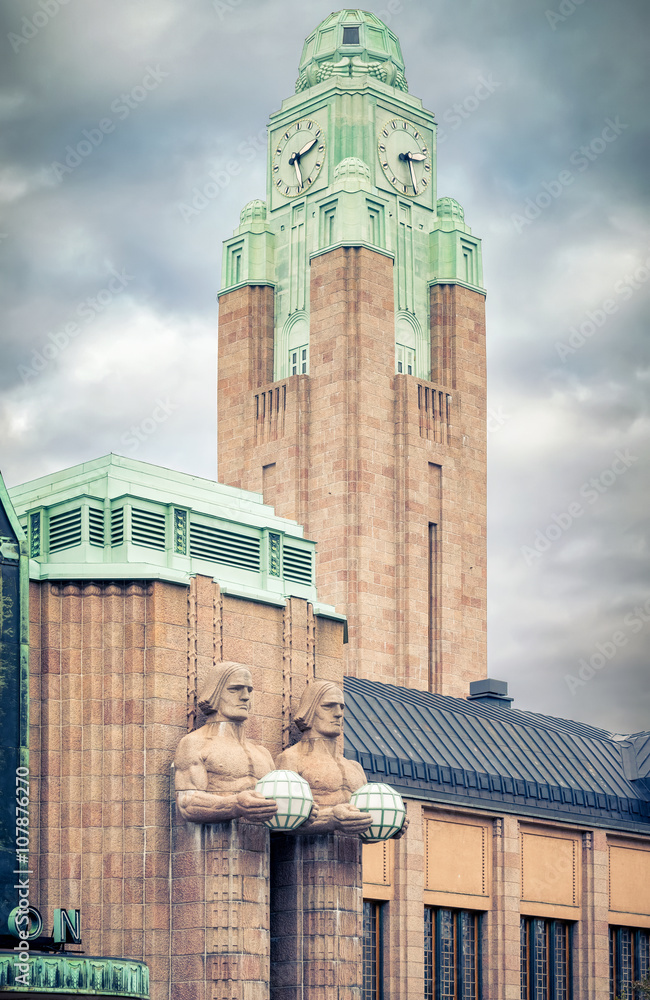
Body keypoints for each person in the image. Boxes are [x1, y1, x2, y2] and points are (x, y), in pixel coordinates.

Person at [174, 662, 278, 824]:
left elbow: (278, 808)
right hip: (213, 845)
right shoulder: (195, 743)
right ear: (215, 693)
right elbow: (187, 803)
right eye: (235, 689)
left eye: (249, 690)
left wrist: (303, 813)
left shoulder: (263, 754)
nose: (245, 696)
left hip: (261, 846)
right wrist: (235, 805)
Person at [275, 680, 374, 835]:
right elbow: (280, 821)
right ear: (310, 709)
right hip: (305, 854)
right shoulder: (291, 758)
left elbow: (366, 830)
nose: (338, 713)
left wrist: (389, 824)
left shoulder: (355, 767)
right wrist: (330, 819)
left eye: (341, 707)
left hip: (353, 857)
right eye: (329, 706)